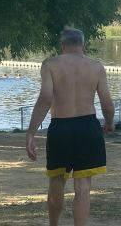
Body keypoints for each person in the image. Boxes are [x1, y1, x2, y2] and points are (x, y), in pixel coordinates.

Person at [25, 27, 115, 226]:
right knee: (83, 186)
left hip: (60, 127)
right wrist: (109, 123)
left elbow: (45, 99)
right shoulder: (96, 67)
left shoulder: (50, 65)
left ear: (62, 45)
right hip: (87, 127)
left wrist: (31, 132)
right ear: (83, 45)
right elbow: (107, 103)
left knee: (56, 181)